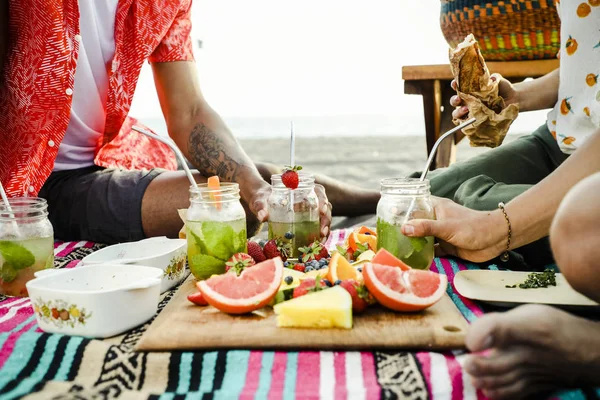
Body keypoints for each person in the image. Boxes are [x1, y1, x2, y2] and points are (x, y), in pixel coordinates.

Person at [0, 1, 379, 245]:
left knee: (252, 185)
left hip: (107, 160)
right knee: (234, 210)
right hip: (28, 188)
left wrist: (255, 188)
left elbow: (189, 112)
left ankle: (382, 199)